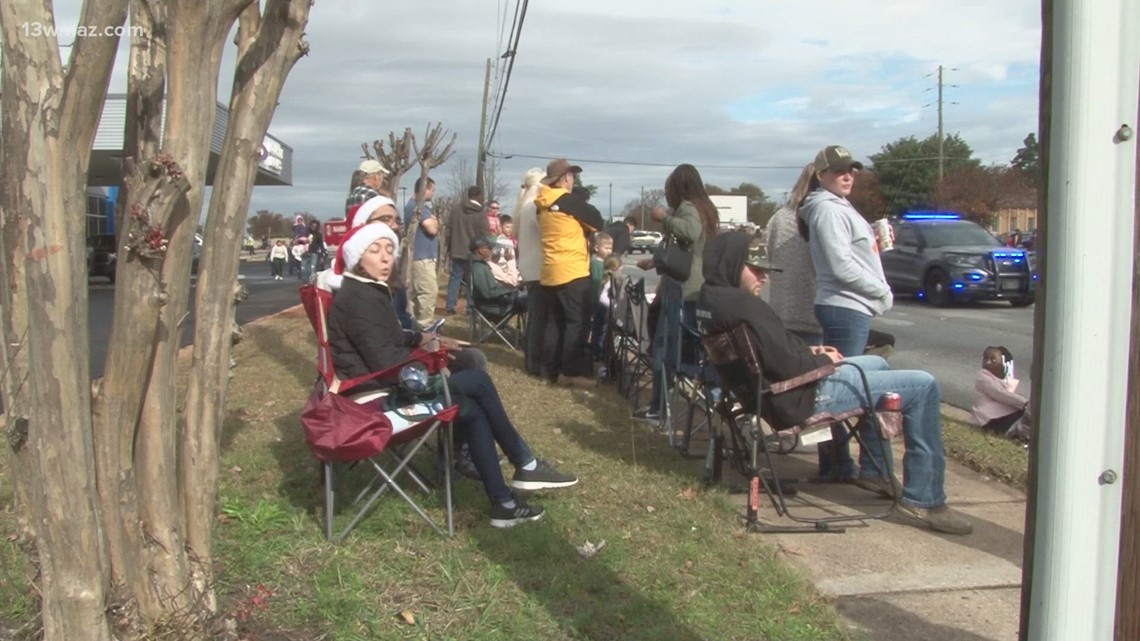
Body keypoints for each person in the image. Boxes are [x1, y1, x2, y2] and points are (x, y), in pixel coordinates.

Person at [697, 231, 973, 535]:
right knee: (924, 386)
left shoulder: (713, 300)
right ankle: (924, 500)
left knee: (878, 363)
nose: (764, 276)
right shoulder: (746, 306)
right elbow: (787, 365)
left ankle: (873, 470)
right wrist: (825, 361)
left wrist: (812, 352)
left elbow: (772, 353)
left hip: (769, 392)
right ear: (732, 264)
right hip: (799, 395)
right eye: (755, 269)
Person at [326, 223, 577, 527]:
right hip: (373, 404)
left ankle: (504, 502)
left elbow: (385, 338)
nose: (384, 258)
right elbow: (386, 363)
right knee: (477, 381)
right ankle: (525, 464)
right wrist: (432, 362)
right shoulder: (359, 299)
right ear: (357, 258)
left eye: (390, 250)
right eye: (374, 250)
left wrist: (419, 339)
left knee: (471, 410)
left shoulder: (364, 291)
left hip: (378, 387)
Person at [798, 145, 893, 481]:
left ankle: (839, 465)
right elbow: (840, 265)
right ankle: (864, 468)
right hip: (844, 307)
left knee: (845, 386)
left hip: (848, 307)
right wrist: (880, 291)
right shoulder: (827, 210)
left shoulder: (837, 207)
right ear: (820, 174)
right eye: (839, 171)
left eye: (851, 170)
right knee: (854, 391)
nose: (847, 176)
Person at [634, 164, 718, 421]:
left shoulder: (689, 208)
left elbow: (690, 233)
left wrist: (664, 218)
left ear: (679, 187)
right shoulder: (705, 208)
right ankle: (664, 404)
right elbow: (684, 252)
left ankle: (659, 408)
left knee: (664, 348)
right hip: (694, 290)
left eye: (668, 188)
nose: (666, 194)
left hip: (683, 291)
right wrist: (656, 262)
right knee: (675, 348)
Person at [534, 158, 605, 388]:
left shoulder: (541, 204)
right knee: (577, 323)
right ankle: (571, 372)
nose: (574, 180)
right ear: (565, 178)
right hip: (573, 271)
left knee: (553, 323)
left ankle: (549, 370)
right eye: (572, 176)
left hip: (549, 270)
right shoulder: (568, 202)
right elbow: (597, 221)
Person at [767, 164, 823, 345]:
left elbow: (768, 256)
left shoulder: (778, 218)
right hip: (814, 312)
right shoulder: (824, 216)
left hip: (781, 310)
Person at [513, 168, 548, 377]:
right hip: (538, 267)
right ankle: (535, 362)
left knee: (535, 317)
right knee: (539, 319)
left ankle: (531, 360)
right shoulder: (535, 207)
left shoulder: (523, 206)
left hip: (528, 267)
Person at [446, 186, 491, 315]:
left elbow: (449, 230)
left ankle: (450, 306)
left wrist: (449, 248)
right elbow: (485, 234)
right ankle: (471, 307)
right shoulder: (481, 213)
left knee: (455, 278)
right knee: (472, 281)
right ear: (479, 196)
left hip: (457, 249)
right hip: (474, 252)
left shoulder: (455, 210)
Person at [403, 177, 441, 330]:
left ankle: (413, 324)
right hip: (422, 257)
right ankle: (425, 324)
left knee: (415, 294)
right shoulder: (417, 207)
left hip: (421, 256)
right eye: (432, 190)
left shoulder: (417, 207)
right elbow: (432, 228)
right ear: (425, 189)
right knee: (429, 290)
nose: (433, 194)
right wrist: (435, 221)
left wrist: (433, 219)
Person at [971, 346, 1032, 440]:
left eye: (993, 360)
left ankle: (1024, 436)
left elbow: (1011, 392)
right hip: (991, 419)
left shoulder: (1005, 380)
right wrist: (1025, 403)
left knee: (1027, 415)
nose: (987, 362)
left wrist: (1008, 374)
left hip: (1004, 415)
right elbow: (1001, 393)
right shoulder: (982, 377)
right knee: (1027, 413)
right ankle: (1019, 435)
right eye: (985, 358)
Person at [469, 236, 526, 317]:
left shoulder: (477, 265)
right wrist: (510, 291)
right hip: (493, 306)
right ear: (481, 250)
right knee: (532, 299)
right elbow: (488, 293)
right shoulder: (480, 268)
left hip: (490, 303)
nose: (492, 251)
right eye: (490, 248)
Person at [589, 232, 614, 364]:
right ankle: (596, 352)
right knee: (598, 328)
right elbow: (596, 283)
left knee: (600, 328)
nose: (609, 251)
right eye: (606, 248)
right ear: (597, 248)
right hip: (598, 302)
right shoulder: (597, 264)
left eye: (611, 248)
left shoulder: (603, 263)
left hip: (601, 301)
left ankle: (598, 351)